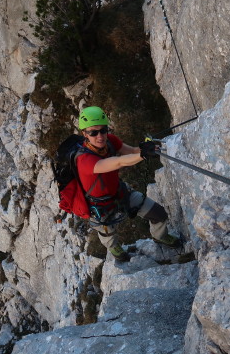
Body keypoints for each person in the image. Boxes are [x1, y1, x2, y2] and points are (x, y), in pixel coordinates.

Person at [76, 106, 181, 262]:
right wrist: (143, 155)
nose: (100, 136)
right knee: (109, 237)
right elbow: (118, 162)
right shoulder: (84, 160)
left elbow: (131, 151)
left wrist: (146, 147)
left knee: (158, 214)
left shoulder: (110, 141)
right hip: (99, 207)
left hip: (120, 193)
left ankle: (160, 236)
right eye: (93, 132)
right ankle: (114, 249)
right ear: (84, 134)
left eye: (103, 130)